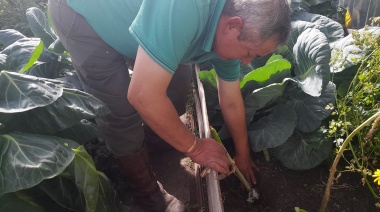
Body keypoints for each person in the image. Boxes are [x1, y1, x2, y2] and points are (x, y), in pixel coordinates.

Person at [48, 0, 291, 211]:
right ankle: (147, 194)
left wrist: (243, 154)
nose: (247, 61)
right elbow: (143, 95)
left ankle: (154, 142)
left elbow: (231, 100)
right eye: (249, 51)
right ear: (233, 25)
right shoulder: (187, 8)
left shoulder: (228, 34)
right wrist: (195, 147)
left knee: (178, 81)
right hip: (85, 16)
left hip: (140, 20)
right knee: (119, 109)